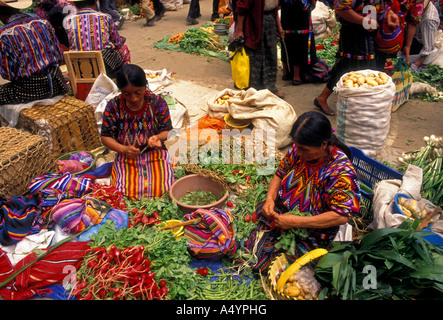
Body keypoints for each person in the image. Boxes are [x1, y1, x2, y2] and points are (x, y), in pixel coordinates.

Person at [240, 111, 361, 273]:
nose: (298, 152)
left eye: (303, 149)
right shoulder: (299, 152)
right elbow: (279, 173)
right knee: (249, 242)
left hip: (315, 228)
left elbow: (340, 216)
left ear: (323, 144)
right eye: (296, 147)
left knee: (283, 266)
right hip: (285, 212)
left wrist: (295, 222)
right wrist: (270, 199)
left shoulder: (340, 172)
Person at [100, 64, 175, 200]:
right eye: (126, 93)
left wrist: (157, 137)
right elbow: (105, 137)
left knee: (164, 190)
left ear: (145, 86)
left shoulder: (157, 103)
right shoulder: (114, 106)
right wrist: (123, 149)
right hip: (127, 156)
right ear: (120, 90)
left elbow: (167, 131)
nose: (133, 98)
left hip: (154, 154)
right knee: (122, 192)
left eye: (138, 92)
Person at [313, 0, 384, 116]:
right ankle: (323, 98)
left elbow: (371, 6)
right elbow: (341, 9)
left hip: (367, 31)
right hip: (354, 32)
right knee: (349, 66)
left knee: (357, 68)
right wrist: (366, 21)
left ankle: (362, 106)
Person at [0, 0, 69, 105]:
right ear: (18, 8)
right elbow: (59, 55)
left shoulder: (4, 35)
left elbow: (8, 74)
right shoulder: (44, 23)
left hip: (29, 91)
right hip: (57, 83)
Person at [63, 0, 131, 78]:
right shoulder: (105, 17)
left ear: (74, 4)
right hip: (104, 66)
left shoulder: (67, 21)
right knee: (124, 50)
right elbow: (118, 44)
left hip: (79, 67)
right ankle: (125, 79)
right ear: (95, 2)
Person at [234, 0, 285, 98]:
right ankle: (253, 90)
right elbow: (241, 9)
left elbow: (275, 10)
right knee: (256, 56)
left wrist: (279, 27)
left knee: (271, 55)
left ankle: (271, 88)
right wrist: (240, 30)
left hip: (270, 21)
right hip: (254, 22)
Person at [280, 0, 319, 85]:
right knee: (299, 42)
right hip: (300, 13)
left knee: (286, 40)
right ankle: (296, 77)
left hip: (286, 13)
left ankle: (285, 73)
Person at [409, 0, 440, 69]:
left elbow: (428, 47)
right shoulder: (424, 9)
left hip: (420, 46)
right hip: (415, 38)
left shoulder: (429, 19)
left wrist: (418, 63)